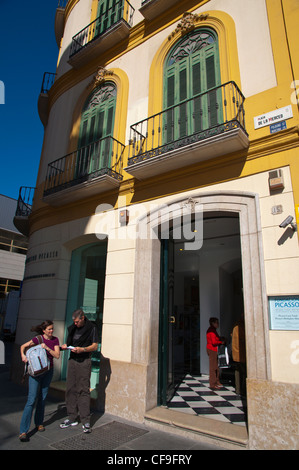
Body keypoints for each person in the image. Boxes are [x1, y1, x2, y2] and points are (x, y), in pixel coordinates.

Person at [19, 320, 60, 441]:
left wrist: (47, 348)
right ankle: (23, 431)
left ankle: (39, 423)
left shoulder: (55, 340)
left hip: (48, 371)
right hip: (35, 373)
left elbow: (57, 355)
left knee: (42, 398)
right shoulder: (38, 339)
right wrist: (23, 355)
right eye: (49, 329)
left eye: (52, 328)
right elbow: (23, 346)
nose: (51, 331)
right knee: (31, 400)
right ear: (44, 330)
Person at [60, 309, 98, 433]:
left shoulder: (91, 328)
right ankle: (71, 416)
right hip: (72, 360)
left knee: (83, 390)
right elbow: (69, 341)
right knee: (70, 388)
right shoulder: (72, 328)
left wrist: (83, 349)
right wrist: (66, 346)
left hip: (84, 361)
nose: (75, 324)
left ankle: (85, 420)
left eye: (77, 321)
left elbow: (95, 346)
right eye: (74, 322)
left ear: (82, 318)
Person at [206, 317, 225, 390]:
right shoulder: (211, 331)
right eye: (217, 323)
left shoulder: (213, 330)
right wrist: (221, 342)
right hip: (212, 349)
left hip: (214, 349)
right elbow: (214, 342)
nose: (218, 324)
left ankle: (217, 381)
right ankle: (212, 383)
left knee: (216, 366)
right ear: (213, 323)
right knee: (213, 367)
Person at [231, 314, 246, 396]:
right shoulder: (240, 327)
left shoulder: (236, 327)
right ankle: (242, 389)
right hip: (241, 354)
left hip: (237, 353)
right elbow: (243, 338)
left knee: (238, 372)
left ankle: (238, 389)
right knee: (243, 372)